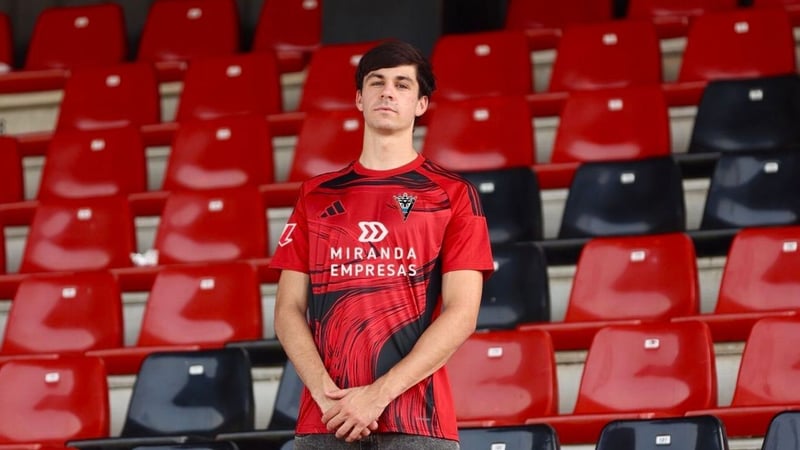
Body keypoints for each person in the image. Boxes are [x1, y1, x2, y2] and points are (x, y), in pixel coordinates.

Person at [270, 39, 494, 449]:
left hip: (416, 421)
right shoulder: (315, 195)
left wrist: (377, 396)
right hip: (326, 420)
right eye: (376, 82)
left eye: (402, 84)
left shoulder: (453, 194)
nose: (388, 92)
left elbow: (462, 313)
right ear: (360, 98)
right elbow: (287, 310)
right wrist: (326, 395)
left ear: (421, 104)